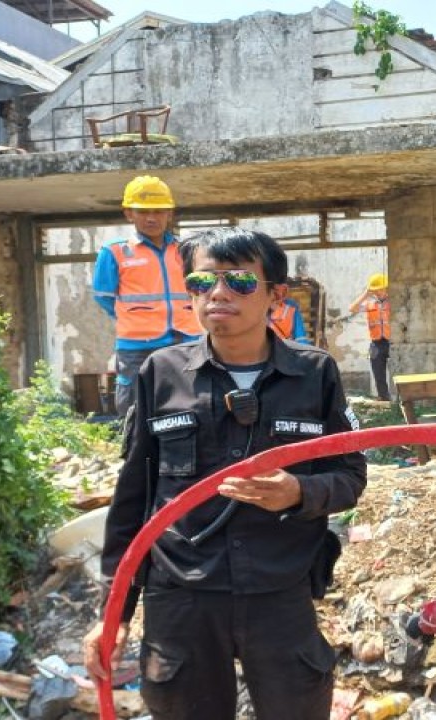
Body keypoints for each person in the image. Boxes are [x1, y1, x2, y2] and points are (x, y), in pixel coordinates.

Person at [82, 226, 366, 720]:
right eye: (201, 281)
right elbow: (133, 499)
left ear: (276, 295)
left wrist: (298, 491)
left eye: (239, 281)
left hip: (279, 591)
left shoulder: (314, 374)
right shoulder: (161, 373)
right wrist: (114, 614)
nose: (217, 293)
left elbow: (349, 476)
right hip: (181, 595)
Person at [92, 175, 202, 419]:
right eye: (143, 211)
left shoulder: (187, 250)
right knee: (135, 410)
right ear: (128, 214)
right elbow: (104, 297)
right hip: (137, 346)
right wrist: (136, 318)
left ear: (169, 214)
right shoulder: (115, 251)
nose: (151, 218)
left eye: (159, 211)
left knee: (190, 405)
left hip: (186, 339)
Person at [347, 272, 392, 401]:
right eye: (375, 290)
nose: (378, 292)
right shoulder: (369, 303)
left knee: (397, 371)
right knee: (378, 372)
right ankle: (384, 398)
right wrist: (366, 293)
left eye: (380, 289)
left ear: (385, 288)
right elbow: (352, 308)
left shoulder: (392, 301)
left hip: (391, 341)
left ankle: (400, 398)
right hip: (376, 342)